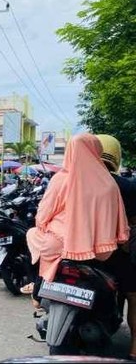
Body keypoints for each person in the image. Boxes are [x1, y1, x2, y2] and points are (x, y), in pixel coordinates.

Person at [26, 133, 128, 292]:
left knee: (32, 233)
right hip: (102, 251)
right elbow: (119, 221)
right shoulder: (109, 183)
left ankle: (37, 290)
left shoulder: (62, 179)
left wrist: (42, 226)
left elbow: (44, 214)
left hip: (60, 246)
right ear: (97, 150)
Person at [97, 134, 136, 360]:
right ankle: (134, 348)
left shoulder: (73, 182)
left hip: (77, 253)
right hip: (115, 255)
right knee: (133, 294)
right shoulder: (126, 187)